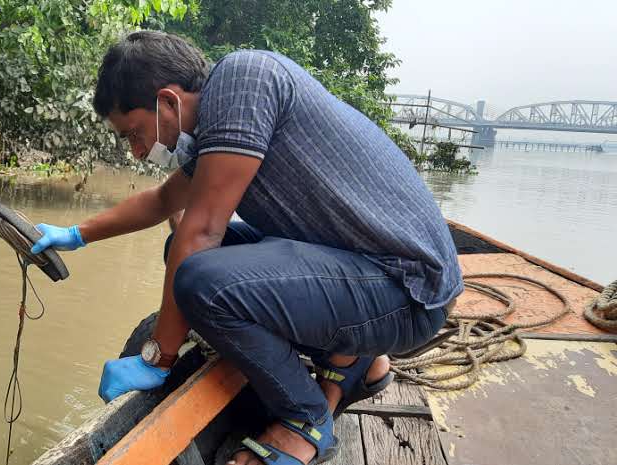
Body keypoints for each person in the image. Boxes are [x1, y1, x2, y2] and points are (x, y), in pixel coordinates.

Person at [29, 31, 461, 465]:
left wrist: (156, 355)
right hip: (372, 274)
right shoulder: (220, 123)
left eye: (135, 133)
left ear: (167, 102)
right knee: (183, 259)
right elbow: (163, 201)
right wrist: (76, 234)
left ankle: (305, 419)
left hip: (407, 291)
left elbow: (199, 234)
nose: (138, 152)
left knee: (199, 278)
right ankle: (358, 363)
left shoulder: (243, 84)